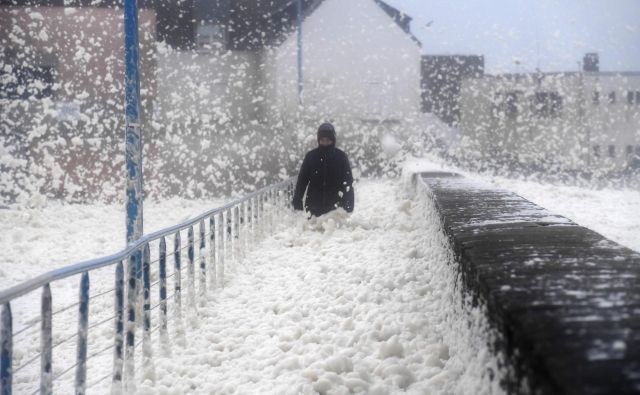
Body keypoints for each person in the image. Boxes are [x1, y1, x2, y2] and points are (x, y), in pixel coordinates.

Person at [292, 123, 354, 217]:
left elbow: (347, 181)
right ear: (318, 140)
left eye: (328, 140)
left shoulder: (341, 157)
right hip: (313, 209)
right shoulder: (311, 156)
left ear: (333, 140)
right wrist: (297, 199)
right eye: (322, 140)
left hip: (336, 209)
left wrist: (349, 202)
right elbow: (302, 180)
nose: (325, 143)